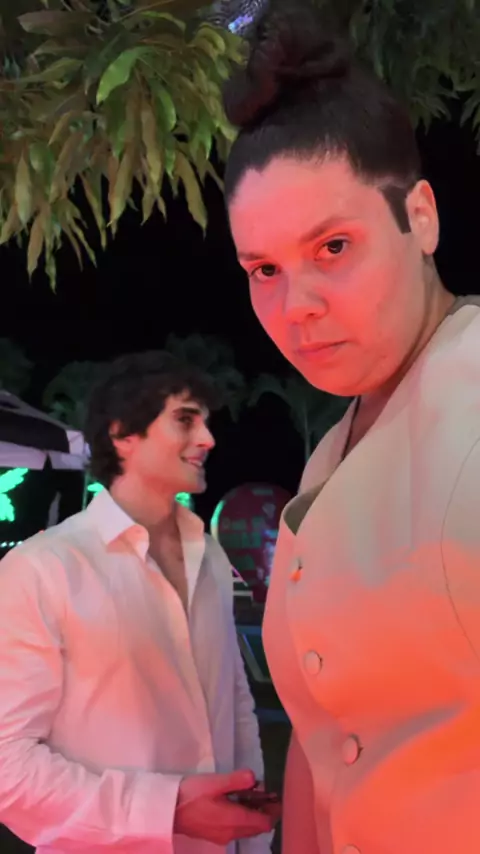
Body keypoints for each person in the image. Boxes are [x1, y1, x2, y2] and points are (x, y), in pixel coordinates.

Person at [222, 3, 480, 853]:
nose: (295, 306)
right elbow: (321, 738)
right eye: (264, 269)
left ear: (422, 217)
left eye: (332, 247)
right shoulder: (333, 449)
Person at [0, 351, 276, 854]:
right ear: (123, 434)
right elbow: (8, 766)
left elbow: (236, 707)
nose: (208, 439)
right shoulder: (43, 568)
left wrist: (254, 839)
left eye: (206, 422)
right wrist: (165, 811)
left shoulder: (211, 558)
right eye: (185, 420)